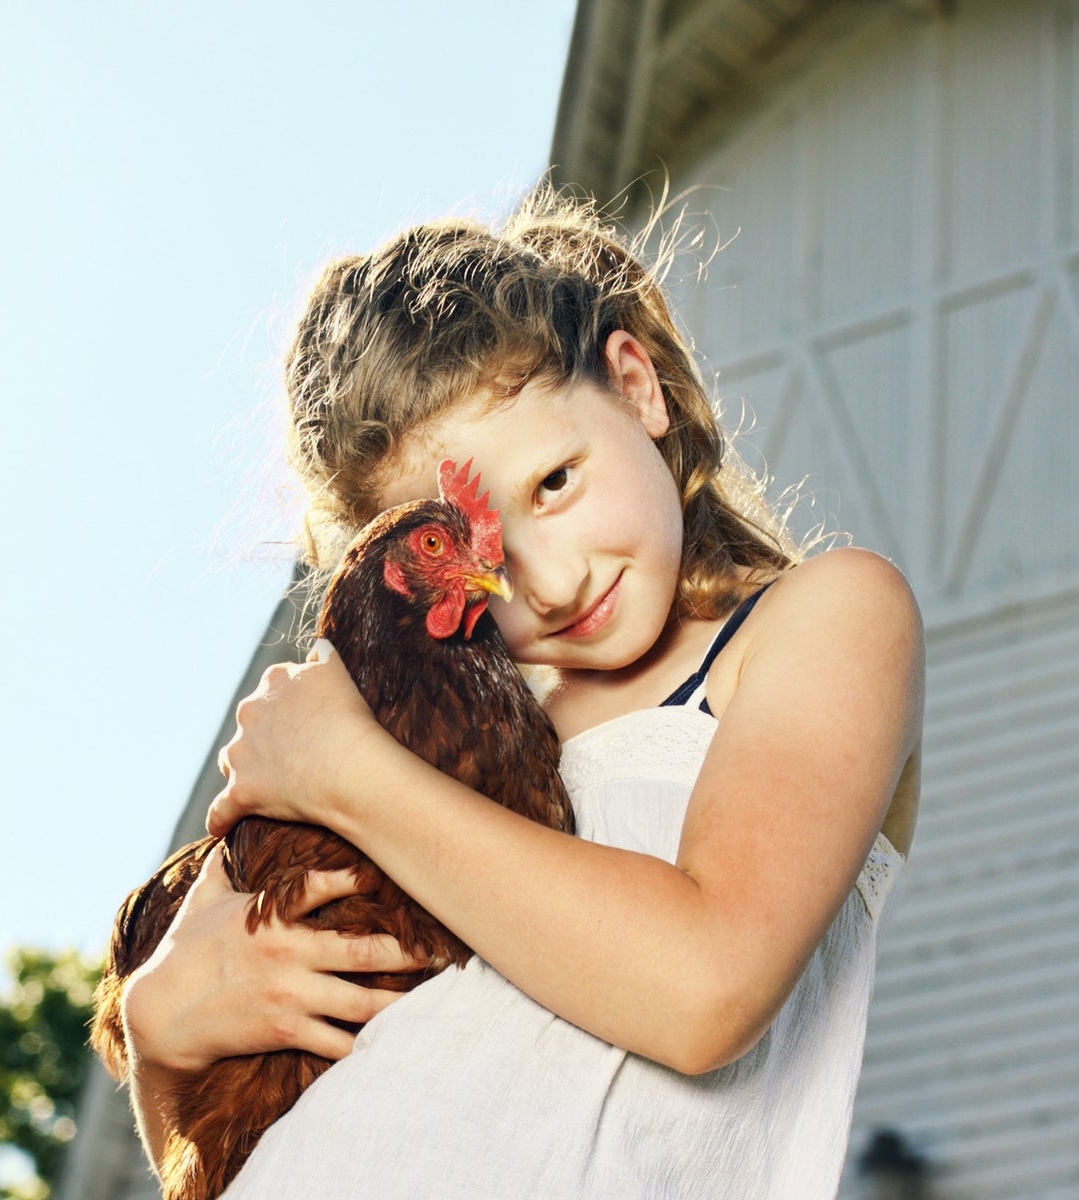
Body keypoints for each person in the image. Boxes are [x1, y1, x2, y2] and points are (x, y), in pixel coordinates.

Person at [117, 188, 924, 1198]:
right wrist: (164, 1043)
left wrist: (343, 775)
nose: (545, 581)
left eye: (553, 482)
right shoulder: (428, 755)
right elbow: (231, 1155)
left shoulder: (822, 621)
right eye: (463, 547)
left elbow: (704, 987)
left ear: (634, 385)